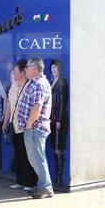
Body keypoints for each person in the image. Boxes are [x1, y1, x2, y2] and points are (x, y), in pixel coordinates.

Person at [17, 57, 53, 199]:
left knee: (37, 158)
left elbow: (36, 107)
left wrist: (29, 125)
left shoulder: (39, 84)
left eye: (28, 66)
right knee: (35, 159)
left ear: (35, 68)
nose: (25, 69)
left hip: (35, 128)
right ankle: (43, 185)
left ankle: (46, 188)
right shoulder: (34, 83)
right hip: (32, 128)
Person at [3, 59, 37, 191]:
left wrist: (29, 124)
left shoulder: (29, 86)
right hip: (14, 125)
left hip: (26, 126)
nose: (13, 73)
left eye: (15, 71)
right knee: (18, 154)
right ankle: (20, 181)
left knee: (27, 155)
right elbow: (9, 105)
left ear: (23, 72)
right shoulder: (14, 86)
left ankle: (30, 183)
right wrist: (5, 121)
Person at [49, 58, 69, 186]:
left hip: (58, 120)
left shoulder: (62, 82)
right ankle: (56, 176)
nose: (53, 70)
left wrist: (59, 120)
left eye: (55, 68)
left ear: (59, 69)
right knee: (54, 148)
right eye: (52, 68)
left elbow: (62, 103)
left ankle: (59, 179)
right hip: (52, 119)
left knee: (58, 149)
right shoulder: (53, 81)